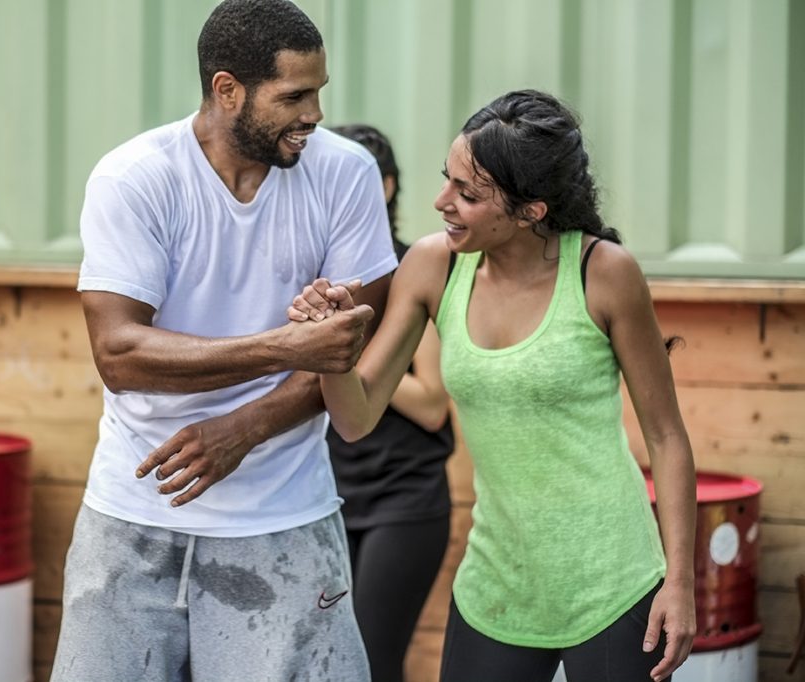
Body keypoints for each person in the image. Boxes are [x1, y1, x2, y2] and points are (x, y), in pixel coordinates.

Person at [288, 90, 697, 682]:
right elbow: (356, 418)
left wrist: (680, 581)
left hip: (612, 579)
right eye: (446, 180)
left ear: (531, 210)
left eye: (468, 194)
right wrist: (328, 345)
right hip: (497, 585)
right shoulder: (433, 266)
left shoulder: (605, 273)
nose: (441, 202)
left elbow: (666, 437)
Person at [49, 1, 398, 680]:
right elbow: (119, 354)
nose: (315, 114)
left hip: (285, 517)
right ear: (227, 89)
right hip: (132, 514)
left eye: (319, 92)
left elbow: (345, 345)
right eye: (293, 96)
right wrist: (282, 347)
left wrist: (246, 426)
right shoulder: (135, 177)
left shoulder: (347, 172)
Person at [326, 124, 455, 682]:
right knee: (326, 661)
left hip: (402, 497)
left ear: (384, 187)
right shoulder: (317, 275)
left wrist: (343, 353)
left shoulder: (410, 270)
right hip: (326, 495)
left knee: (372, 663)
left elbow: (431, 403)